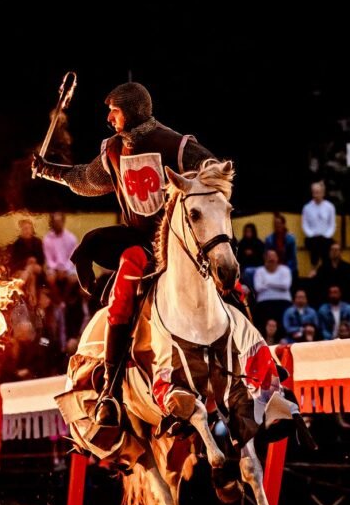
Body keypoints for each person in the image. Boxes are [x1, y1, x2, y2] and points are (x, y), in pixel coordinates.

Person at [31, 82, 218, 428]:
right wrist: (48, 170)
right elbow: (86, 180)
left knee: (228, 277)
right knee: (109, 260)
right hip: (140, 242)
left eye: (114, 111)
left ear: (130, 111)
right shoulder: (114, 150)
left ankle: (259, 365)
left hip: (179, 246)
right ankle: (109, 391)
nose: (109, 118)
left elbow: (214, 173)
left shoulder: (178, 146)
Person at [301, 181, 336, 268]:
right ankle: (314, 268)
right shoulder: (307, 207)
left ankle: (326, 269)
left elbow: (332, 225)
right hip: (312, 238)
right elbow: (305, 225)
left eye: (317, 192)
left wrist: (326, 235)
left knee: (326, 246)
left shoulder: (330, 207)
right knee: (315, 245)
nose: (315, 195)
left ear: (323, 193)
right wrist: (311, 234)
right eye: (314, 192)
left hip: (325, 238)